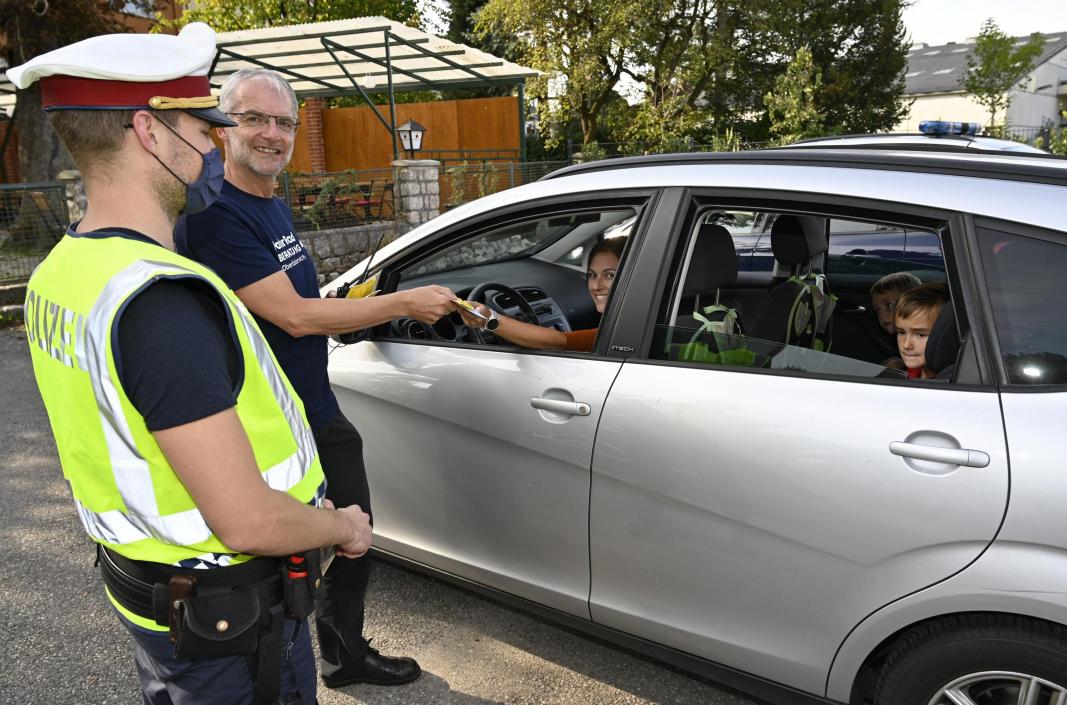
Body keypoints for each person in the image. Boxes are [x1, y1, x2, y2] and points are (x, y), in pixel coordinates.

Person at [9, 24, 372, 705]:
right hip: (232, 636)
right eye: (202, 128)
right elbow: (247, 520)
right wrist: (342, 525)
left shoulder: (65, 269)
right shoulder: (160, 301)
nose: (215, 144)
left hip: (159, 603)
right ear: (150, 133)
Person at [177, 68, 456, 688]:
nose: (271, 134)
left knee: (351, 531)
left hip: (312, 403)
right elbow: (296, 317)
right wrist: (400, 304)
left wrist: (353, 302)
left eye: (283, 122)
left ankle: (340, 653)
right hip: (275, 424)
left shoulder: (268, 203)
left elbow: (295, 297)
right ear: (225, 127)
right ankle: (293, 666)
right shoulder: (219, 216)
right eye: (254, 119)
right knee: (304, 549)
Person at [459, 236, 627, 349]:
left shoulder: (627, 332)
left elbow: (560, 342)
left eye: (610, 275)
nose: (596, 286)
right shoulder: (633, 324)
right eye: (592, 275)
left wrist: (488, 319)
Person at [894, 282, 950, 379]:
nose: (906, 345)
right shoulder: (910, 373)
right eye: (901, 332)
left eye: (920, 335)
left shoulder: (950, 382)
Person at [870, 272, 921, 369]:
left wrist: (904, 365)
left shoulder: (923, 336)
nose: (881, 314)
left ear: (912, 303)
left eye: (889, 305)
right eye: (878, 310)